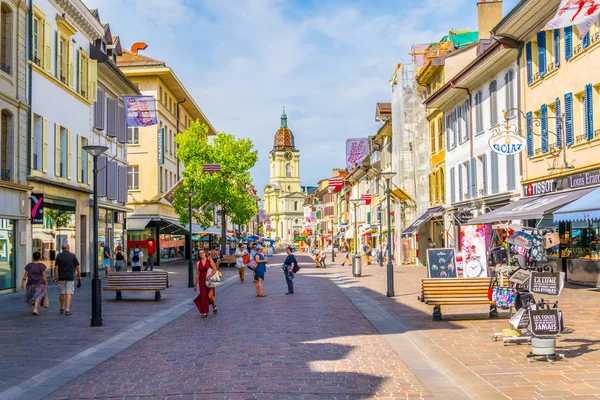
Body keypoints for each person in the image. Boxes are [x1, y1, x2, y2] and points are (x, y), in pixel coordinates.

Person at [53, 244, 81, 316]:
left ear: (62, 248)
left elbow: (56, 268)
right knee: (69, 293)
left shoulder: (59, 256)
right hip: (70, 277)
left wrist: (56, 277)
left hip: (61, 277)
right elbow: (77, 268)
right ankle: (67, 309)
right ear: (68, 248)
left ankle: (62, 307)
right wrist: (79, 277)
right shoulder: (73, 256)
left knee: (62, 292)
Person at [194, 249, 218, 318]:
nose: (201, 254)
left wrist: (209, 276)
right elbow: (197, 274)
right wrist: (195, 284)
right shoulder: (198, 263)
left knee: (210, 296)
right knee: (203, 296)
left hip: (209, 279)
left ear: (205, 253)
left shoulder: (209, 260)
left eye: (202, 253)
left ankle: (214, 305)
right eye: (200, 253)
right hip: (202, 280)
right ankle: (204, 312)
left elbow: (214, 269)